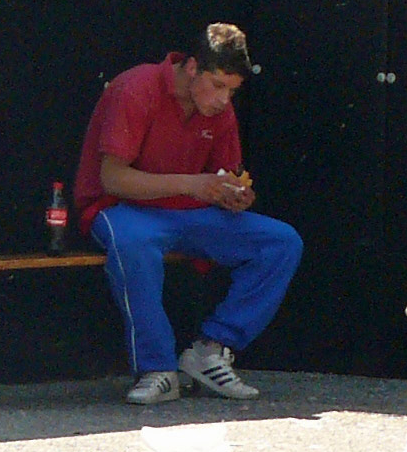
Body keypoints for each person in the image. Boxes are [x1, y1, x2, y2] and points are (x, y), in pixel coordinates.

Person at [75, 23, 302, 406]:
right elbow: (112, 179)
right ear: (193, 67)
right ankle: (157, 368)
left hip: (188, 212)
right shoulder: (136, 88)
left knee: (281, 242)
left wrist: (233, 195)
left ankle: (212, 350)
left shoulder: (219, 110)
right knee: (133, 243)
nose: (223, 100)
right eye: (217, 85)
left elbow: (221, 178)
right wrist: (192, 185)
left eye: (232, 90)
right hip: (122, 208)